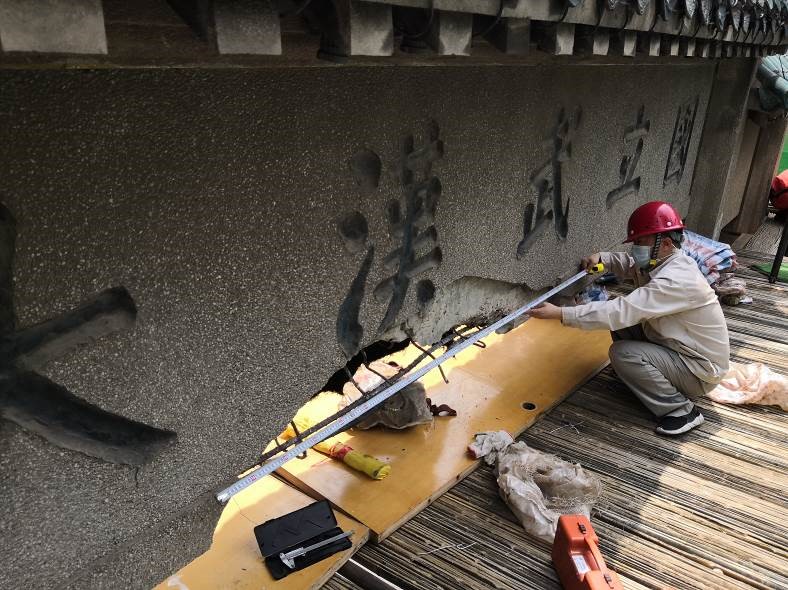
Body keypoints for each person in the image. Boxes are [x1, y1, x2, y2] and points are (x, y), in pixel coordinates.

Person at [529, 201, 730, 435]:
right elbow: (632, 266)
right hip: (679, 349)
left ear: (666, 243)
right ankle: (643, 377)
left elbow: (620, 311)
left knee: (622, 352)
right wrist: (603, 258)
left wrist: (561, 313)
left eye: (640, 242)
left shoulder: (676, 280)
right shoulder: (662, 261)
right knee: (624, 327)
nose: (636, 248)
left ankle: (681, 410)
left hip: (699, 371)